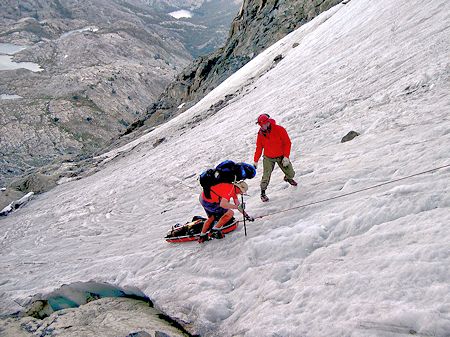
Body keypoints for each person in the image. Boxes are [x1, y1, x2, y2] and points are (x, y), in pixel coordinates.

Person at [253, 114, 297, 202]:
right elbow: (259, 147)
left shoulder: (279, 129)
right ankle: (263, 193)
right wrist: (255, 160)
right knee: (266, 175)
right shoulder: (260, 134)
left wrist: (286, 157)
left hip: (281, 156)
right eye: (261, 125)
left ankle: (288, 178)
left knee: (291, 173)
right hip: (268, 157)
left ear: (268, 122)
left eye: (264, 124)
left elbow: (287, 143)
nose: (262, 126)